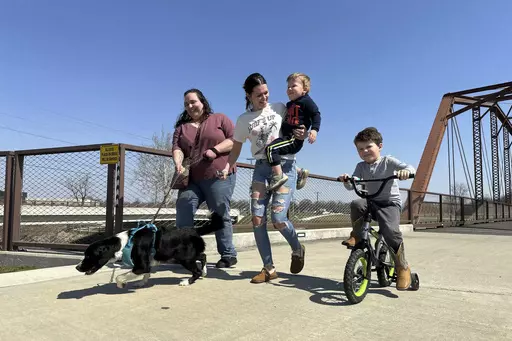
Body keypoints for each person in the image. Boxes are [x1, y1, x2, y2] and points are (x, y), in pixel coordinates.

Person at [220, 72, 306, 283]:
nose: (264, 98)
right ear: (249, 96)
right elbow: (237, 147)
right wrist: (227, 166)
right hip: (260, 168)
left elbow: (300, 123)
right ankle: (268, 268)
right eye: (258, 95)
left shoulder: (280, 108)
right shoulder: (243, 120)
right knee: (257, 219)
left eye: (266, 93)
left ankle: (297, 248)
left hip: (285, 165)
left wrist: (305, 132)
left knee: (278, 219)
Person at [338, 127, 416, 290]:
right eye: (360, 149)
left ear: (379, 146)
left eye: (369, 147)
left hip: (389, 203)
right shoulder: (361, 166)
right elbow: (354, 182)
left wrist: (405, 172)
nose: (365, 151)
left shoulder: (388, 161)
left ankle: (402, 267)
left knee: (390, 231)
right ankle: (357, 236)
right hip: (371, 202)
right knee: (357, 204)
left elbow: (410, 168)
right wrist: (348, 180)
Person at [172, 88, 238, 268]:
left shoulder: (220, 119)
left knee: (219, 212)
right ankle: (187, 252)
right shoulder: (181, 128)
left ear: (202, 102)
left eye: (193, 101)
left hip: (218, 175)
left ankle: (228, 254)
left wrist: (215, 150)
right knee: (184, 205)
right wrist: (178, 163)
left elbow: (234, 140)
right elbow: (177, 148)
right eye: (186, 104)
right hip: (192, 178)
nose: (190, 106)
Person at [264, 73, 321, 191]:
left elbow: (316, 114)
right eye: (288, 87)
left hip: (293, 138)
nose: (289, 89)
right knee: (280, 155)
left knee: (270, 149)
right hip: (287, 137)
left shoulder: (306, 101)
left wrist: (314, 130)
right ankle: (299, 172)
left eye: (293, 86)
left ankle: (278, 176)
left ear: (304, 89)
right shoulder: (290, 104)